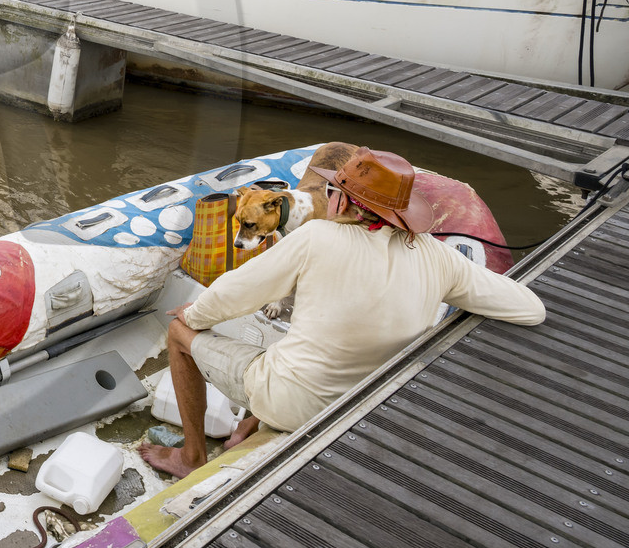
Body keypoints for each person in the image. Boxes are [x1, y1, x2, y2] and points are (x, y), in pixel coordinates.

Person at [138, 147, 545, 479]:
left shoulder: (316, 236)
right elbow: (530, 308)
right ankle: (245, 429)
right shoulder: (438, 256)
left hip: (301, 402)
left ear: (343, 200)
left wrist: (194, 316)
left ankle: (190, 457)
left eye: (332, 190)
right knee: (303, 338)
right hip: (369, 399)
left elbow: (230, 294)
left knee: (180, 333)